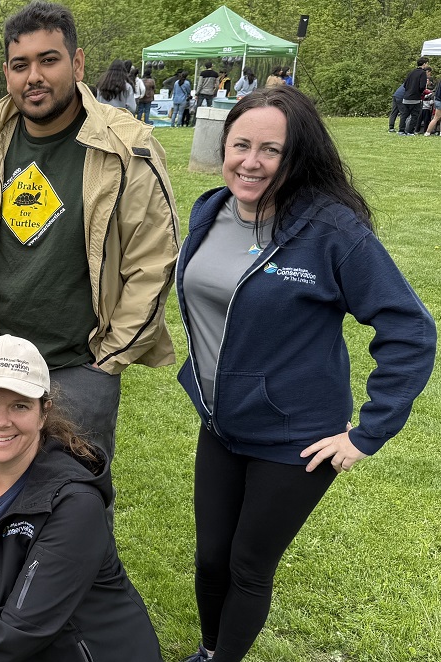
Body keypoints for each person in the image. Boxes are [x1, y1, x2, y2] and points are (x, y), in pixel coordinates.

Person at [175, 86, 436, 662]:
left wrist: (367, 434)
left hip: (296, 437)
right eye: (240, 144)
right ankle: (211, 649)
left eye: (271, 150)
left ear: (297, 157)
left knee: (247, 565)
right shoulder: (210, 211)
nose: (251, 161)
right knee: (211, 557)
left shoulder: (330, 231)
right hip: (221, 423)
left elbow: (411, 330)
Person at [0, 0, 179, 522]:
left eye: (48, 61)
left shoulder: (126, 146)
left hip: (81, 363)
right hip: (2, 359)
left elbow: (155, 258)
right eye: (20, 64)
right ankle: (4, 596)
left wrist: (111, 353)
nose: (34, 77)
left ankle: (81, 598)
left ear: (77, 64)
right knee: (1, 492)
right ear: (6, 72)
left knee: (77, 500)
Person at [0, 335, 161, 661]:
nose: (0, 421)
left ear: (43, 412)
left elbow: (18, 633)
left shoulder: (75, 504)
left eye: (19, 405)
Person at [400, 57, 429, 135]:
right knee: (414, 115)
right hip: (415, 98)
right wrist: (420, 92)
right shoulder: (422, 73)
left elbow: (405, 84)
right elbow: (422, 86)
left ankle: (401, 130)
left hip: (406, 97)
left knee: (404, 115)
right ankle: (410, 131)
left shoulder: (411, 72)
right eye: (427, 63)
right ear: (424, 64)